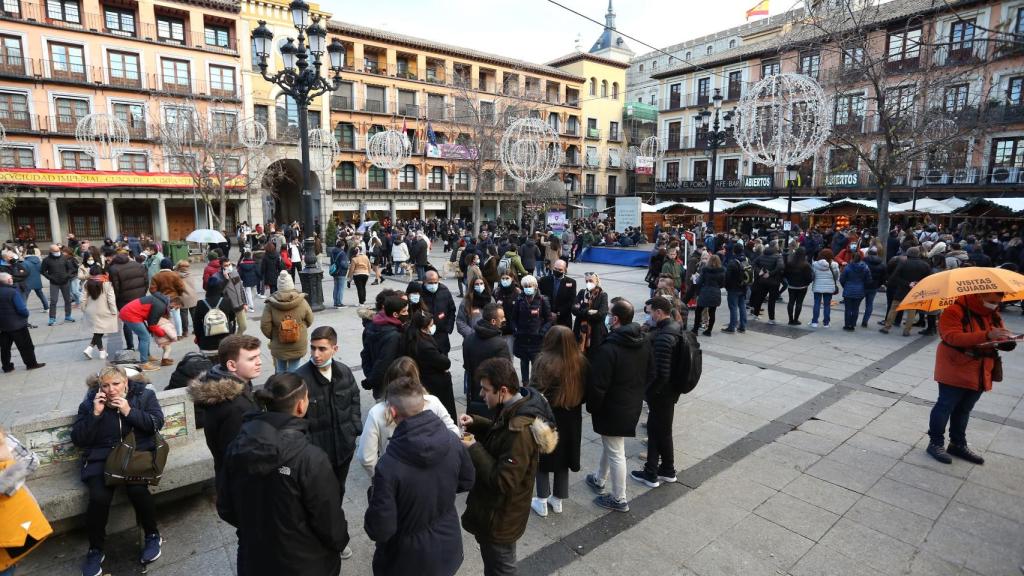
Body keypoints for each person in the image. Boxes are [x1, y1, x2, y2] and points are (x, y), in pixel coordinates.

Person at [217, 373, 350, 576]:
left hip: (254, 560)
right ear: (301, 405)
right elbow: (330, 522)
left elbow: (226, 508)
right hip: (306, 564)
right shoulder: (311, 459)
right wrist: (340, 542)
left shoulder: (237, 446)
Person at [364, 376, 475, 576]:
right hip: (447, 546)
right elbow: (467, 480)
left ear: (392, 412)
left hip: (405, 560)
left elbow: (380, 529)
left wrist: (374, 496)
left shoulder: (388, 466)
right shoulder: (451, 440)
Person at [460, 358, 557, 576]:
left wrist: (474, 447)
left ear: (503, 390)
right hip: (499, 513)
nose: (481, 394)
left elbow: (503, 480)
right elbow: (501, 433)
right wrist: (476, 423)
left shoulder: (520, 432)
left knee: (502, 568)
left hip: (501, 518)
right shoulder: (515, 406)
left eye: (485, 390)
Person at [71, 366, 164, 576]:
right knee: (98, 497)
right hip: (101, 458)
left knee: (137, 489)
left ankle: (152, 535)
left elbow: (156, 424)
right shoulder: (90, 402)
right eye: (105, 385)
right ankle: (95, 549)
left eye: (116, 384)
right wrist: (95, 414)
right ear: (99, 386)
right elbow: (78, 439)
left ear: (125, 383)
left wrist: (129, 411)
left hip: (134, 456)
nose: (111, 390)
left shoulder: (144, 396)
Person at [927, 293, 1016, 465]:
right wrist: (987, 335)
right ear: (980, 296)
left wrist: (1006, 341)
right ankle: (935, 443)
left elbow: (996, 335)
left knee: (964, 409)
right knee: (945, 405)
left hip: (981, 369)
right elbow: (951, 336)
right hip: (955, 366)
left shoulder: (993, 313)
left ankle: (958, 444)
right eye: (992, 301)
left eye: (998, 302)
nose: (995, 305)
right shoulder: (954, 310)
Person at [584, 298, 652, 513]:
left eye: (609, 314)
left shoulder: (610, 347)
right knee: (612, 443)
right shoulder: (643, 340)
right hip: (631, 403)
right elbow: (651, 372)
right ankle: (599, 478)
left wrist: (592, 406)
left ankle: (619, 498)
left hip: (613, 407)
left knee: (616, 451)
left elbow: (598, 384)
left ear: (615, 319)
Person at [293, 327, 361, 513]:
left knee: (338, 490)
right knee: (318, 497)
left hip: (344, 449)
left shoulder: (344, 372)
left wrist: (354, 428)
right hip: (317, 455)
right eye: (313, 348)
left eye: (322, 349)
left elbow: (354, 397)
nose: (316, 354)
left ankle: (335, 520)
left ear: (334, 349)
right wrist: (308, 448)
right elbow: (294, 420)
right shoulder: (300, 378)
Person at [357, 357, 460, 478]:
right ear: (416, 379)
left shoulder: (376, 412)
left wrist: (381, 477)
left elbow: (366, 457)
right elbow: (454, 433)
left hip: (396, 478)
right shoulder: (432, 402)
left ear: (388, 381)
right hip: (434, 475)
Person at [530, 326, 586, 518]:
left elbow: (534, 391)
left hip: (547, 415)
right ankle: (558, 499)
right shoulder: (581, 362)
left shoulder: (543, 361)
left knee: (543, 455)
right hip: (571, 416)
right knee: (564, 457)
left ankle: (542, 499)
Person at [187, 335, 261, 479]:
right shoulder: (236, 406)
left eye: (258, 356)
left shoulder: (221, 383)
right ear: (232, 365)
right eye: (252, 359)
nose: (259, 362)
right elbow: (238, 456)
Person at [631, 296, 681, 488]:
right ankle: (668, 469)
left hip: (662, 394)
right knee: (664, 431)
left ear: (659, 312)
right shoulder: (674, 327)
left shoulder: (664, 337)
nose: (649, 316)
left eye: (651, 312)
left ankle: (650, 473)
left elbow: (661, 374)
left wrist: (649, 393)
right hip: (670, 391)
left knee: (655, 430)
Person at [0, 424, 51, 575]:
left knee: (6, 563)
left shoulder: (5, 440)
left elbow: (31, 460)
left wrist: (5, 483)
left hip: (9, 516)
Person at [402, 311, 457, 422]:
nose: (433, 327)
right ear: (423, 327)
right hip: (434, 383)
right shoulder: (424, 346)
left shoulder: (412, 336)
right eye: (431, 325)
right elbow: (445, 362)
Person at [462, 303, 511, 416]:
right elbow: (506, 374)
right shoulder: (500, 344)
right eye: (502, 318)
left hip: (474, 395)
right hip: (494, 398)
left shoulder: (468, 340)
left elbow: (467, 367)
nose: (504, 319)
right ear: (493, 321)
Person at [261, 270, 314, 373]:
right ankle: (293, 382)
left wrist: (275, 335)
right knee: (294, 368)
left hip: (279, 343)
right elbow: (310, 319)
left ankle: (281, 381)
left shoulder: (270, 304)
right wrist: (300, 328)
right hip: (298, 342)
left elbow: (265, 325)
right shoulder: (302, 301)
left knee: (280, 368)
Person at [361, 294, 409, 399]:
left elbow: (365, 354)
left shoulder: (372, 325)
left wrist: (369, 375)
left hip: (378, 381)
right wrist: (371, 380)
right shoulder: (394, 336)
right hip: (389, 384)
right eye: (404, 311)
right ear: (395, 314)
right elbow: (383, 362)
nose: (407, 313)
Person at [118, 290, 175, 372]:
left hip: (131, 312)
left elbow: (151, 320)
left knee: (145, 335)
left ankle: (147, 356)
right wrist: (162, 333)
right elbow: (152, 325)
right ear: (172, 304)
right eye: (176, 307)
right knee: (145, 337)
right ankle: (144, 363)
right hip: (130, 314)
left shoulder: (160, 301)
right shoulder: (160, 306)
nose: (174, 310)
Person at [880, 247, 932, 336]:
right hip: (915, 291)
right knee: (912, 312)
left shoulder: (903, 263)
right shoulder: (925, 265)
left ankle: (887, 327)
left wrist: (907, 283)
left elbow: (894, 277)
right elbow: (928, 279)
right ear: (918, 254)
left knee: (894, 309)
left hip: (901, 290)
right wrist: (917, 283)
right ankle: (907, 331)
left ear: (908, 254)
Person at [510, 275, 551, 385]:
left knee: (536, 364)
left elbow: (549, 320)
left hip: (536, 340)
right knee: (524, 363)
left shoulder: (542, 300)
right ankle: (525, 383)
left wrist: (542, 332)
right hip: (522, 338)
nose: (528, 288)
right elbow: (513, 319)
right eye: (525, 286)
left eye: (530, 286)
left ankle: (535, 384)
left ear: (535, 286)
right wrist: (516, 330)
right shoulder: (519, 300)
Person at [0, 273, 44, 372]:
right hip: (17, 325)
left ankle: (7, 367)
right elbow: (21, 309)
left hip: (3, 326)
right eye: (10, 278)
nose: (12, 279)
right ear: (8, 281)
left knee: (5, 348)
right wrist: (26, 315)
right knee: (26, 346)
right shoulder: (12, 292)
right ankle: (31, 364)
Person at [108, 251, 148, 352]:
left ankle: (130, 346)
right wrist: (142, 294)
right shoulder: (139, 265)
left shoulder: (114, 269)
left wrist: (117, 299)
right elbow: (146, 282)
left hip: (124, 300)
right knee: (140, 320)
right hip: (139, 298)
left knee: (127, 322)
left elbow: (115, 288)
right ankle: (143, 345)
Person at [192, 275, 237, 356]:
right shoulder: (226, 301)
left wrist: (199, 339)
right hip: (226, 342)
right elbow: (232, 318)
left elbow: (197, 325)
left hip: (207, 344)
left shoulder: (201, 303)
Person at [81, 266, 117, 360]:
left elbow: (83, 298)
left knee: (98, 330)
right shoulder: (107, 284)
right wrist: (114, 311)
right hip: (104, 310)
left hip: (90, 310)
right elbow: (111, 300)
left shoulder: (86, 283)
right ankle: (100, 351)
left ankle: (94, 349)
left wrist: (84, 309)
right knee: (100, 330)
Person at [420, 270, 457, 354]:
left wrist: (448, 328)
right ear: (424, 282)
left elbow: (452, 310)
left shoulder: (444, 290)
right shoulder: (419, 293)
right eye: (430, 283)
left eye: (435, 282)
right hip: (425, 335)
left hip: (442, 335)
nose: (433, 285)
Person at [571, 272, 608, 353]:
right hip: (580, 329)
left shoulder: (602, 295)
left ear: (597, 281)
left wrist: (581, 311)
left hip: (595, 332)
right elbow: (573, 310)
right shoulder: (582, 292)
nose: (588, 283)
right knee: (578, 352)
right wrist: (589, 312)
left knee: (593, 354)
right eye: (586, 281)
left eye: (591, 281)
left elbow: (601, 314)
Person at [40, 244, 77, 326]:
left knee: (68, 300)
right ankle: (52, 318)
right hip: (54, 283)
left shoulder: (64, 258)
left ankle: (68, 316)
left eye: (58, 250)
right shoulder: (46, 260)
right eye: (55, 251)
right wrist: (50, 278)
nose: (58, 252)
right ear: (51, 251)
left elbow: (71, 269)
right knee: (53, 300)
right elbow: (42, 271)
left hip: (65, 282)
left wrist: (67, 276)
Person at [691, 254, 724, 336]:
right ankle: (709, 331)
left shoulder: (705, 270)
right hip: (715, 293)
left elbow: (699, 282)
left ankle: (695, 329)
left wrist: (698, 292)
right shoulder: (722, 271)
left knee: (698, 311)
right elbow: (722, 284)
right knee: (712, 312)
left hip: (705, 292)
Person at [840, 251, 872, 331]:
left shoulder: (847, 267)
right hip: (860, 290)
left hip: (848, 290)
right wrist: (863, 287)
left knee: (848, 309)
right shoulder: (865, 268)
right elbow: (868, 280)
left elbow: (842, 279)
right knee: (856, 309)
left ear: (852, 258)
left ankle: (847, 324)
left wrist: (845, 286)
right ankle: (852, 325)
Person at [538, 259, 575, 328]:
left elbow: (571, 301)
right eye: (555, 269)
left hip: (563, 319)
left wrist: (558, 313)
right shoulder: (544, 280)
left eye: (560, 270)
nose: (557, 271)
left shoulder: (571, 282)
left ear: (565, 270)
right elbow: (540, 298)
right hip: (546, 317)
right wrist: (549, 313)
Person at [722, 244, 750, 333]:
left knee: (733, 307)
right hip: (743, 287)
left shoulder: (733, 262)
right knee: (742, 306)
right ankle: (743, 326)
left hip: (733, 288)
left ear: (734, 251)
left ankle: (732, 327)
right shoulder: (746, 260)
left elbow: (728, 277)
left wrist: (726, 286)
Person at [810, 248, 840, 328]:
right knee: (827, 305)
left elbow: (813, 276)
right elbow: (836, 276)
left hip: (817, 286)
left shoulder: (815, 264)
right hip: (829, 287)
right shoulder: (835, 265)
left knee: (817, 304)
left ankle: (814, 322)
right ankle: (826, 323)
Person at [784, 248, 813, 326]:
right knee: (799, 303)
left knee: (791, 302)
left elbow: (785, 274)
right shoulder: (806, 265)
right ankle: (796, 319)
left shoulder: (790, 263)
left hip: (791, 286)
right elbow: (809, 278)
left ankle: (790, 320)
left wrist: (789, 281)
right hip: (802, 287)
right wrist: (807, 283)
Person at [492, 273, 520, 353]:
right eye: (503, 278)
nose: (505, 280)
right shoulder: (496, 291)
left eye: (507, 278)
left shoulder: (517, 292)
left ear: (512, 278)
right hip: (498, 329)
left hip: (511, 330)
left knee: (509, 353)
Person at [862, 246, 886, 328]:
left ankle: (853, 319)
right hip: (874, 286)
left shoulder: (863, 262)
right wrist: (878, 285)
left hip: (863, 285)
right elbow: (883, 277)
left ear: (868, 253)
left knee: (857, 303)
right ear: (877, 254)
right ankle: (865, 321)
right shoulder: (882, 264)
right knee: (869, 304)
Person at [329, 241, 350, 308]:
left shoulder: (332, 252)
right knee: (340, 288)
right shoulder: (342, 253)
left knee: (336, 287)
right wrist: (347, 265)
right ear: (342, 246)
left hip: (334, 271)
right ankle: (339, 303)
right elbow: (343, 264)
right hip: (341, 272)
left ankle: (335, 302)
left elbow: (331, 261)